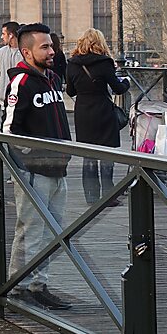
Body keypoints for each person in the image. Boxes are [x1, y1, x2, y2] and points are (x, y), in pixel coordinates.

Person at [2, 23, 73, 311]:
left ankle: (38, 284)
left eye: (51, 45)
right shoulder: (21, 83)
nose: (51, 50)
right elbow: (8, 131)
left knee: (52, 231)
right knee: (30, 230)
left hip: (58, 167)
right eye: (44, 47)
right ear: (26, 51)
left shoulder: (53, 79)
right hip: (34, 170)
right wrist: (24, 165)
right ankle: (18, 287)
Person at [65, 28, 130, 206]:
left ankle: (91, 196)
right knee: (107, 153)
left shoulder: (72, 64)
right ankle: (108, 196)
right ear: (100, 43)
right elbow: (118, 88)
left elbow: (70, 91)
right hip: (103, 110)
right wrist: (126, 81)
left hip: (83, 112)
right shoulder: (105, 63)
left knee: (88, 155)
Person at [0, 21, 22, 111]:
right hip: (5, 101)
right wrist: (0, 87)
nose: (1, 37)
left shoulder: (25, 52)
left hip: (21, 100)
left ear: (11, 35)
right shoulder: (2, 52)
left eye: (3, 34)